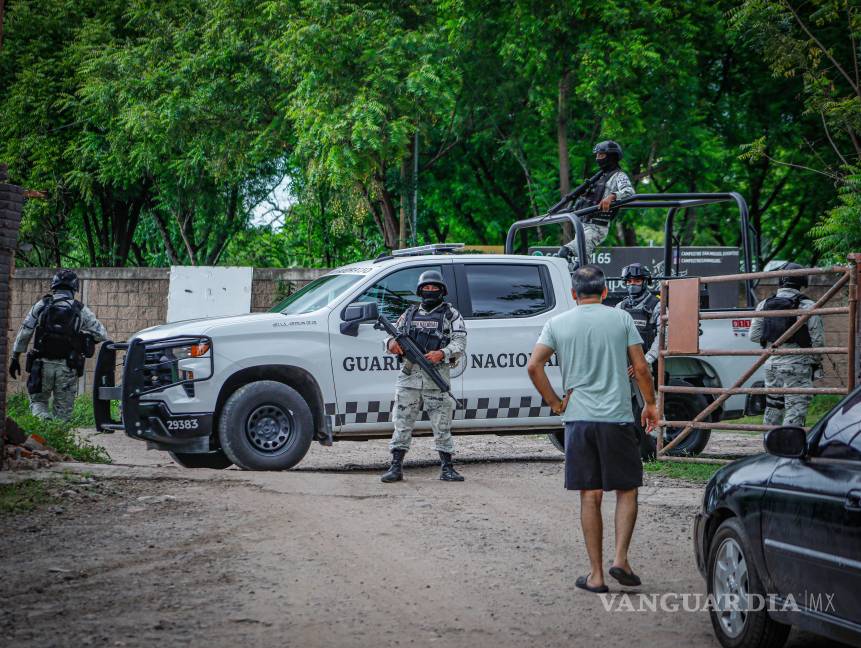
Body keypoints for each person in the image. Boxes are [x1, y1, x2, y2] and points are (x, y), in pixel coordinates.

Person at [527, 265, 658, 593]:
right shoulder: (621, 318)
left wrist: (556, 402)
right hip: (617, 417)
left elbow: (534, 365)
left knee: (591, 495)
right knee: (626, 489)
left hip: (579, 420)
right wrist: (651, 404)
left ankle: (597, 575)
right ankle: (620, 559)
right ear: (604, 292)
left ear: (573, 295)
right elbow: (641, 367)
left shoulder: (557, 323)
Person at [380, 270, 467, 483]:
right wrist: (391, 344)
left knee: (442, 423)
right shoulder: (408, 314)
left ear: (441, 291)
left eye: (434, 288)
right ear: (420, 291)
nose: (430, 291)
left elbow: (460, 343)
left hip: (436, 377)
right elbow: (390, 338)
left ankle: (447, 468)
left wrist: (442, 353)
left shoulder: (451, 315)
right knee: (402, 421)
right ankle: (395, 467)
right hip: (409, 377)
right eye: (426, 289)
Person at [8, 270, 107, 420]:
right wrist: (83, 338)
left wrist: (15, 356)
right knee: (63, 413)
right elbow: (101, 334)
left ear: (54, 287)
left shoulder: (42, 304)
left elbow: (25, 331)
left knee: (39, 403)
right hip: (67, 368)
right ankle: (57, 439)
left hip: (41, 365)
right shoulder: (80, 309)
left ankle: (44, 428)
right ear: (74, 289)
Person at [749, 262, 824, 427]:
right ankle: (790, 449)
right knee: (795, 408)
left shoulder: (764, 304)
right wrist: (815, 362)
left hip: (771, 365)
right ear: (803, 282)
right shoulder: (808, 306)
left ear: (781, 281)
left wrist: (773, 339)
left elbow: (753, 336)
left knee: (773, 407)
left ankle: (769, 446)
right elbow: (818, 342)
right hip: (797, 365)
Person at [562, 140, 635, 264]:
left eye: (601, 155)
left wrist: (612, 196)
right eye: (596, 155)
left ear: (611, 156)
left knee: (564, 253)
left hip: (597, 227)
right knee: (581, 266)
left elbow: (629, 191)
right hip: (583, 225)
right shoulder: (599, 177)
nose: (597, 158)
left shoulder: (619, 175)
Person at [615, 263, 660, 369]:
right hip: (624, 364)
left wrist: (646, 360)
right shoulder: (620, 306)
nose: (632, 284)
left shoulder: (656, 305)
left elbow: (664, 336)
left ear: (645, 282)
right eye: (629, 281)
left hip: (649, 364)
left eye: (637, 281)